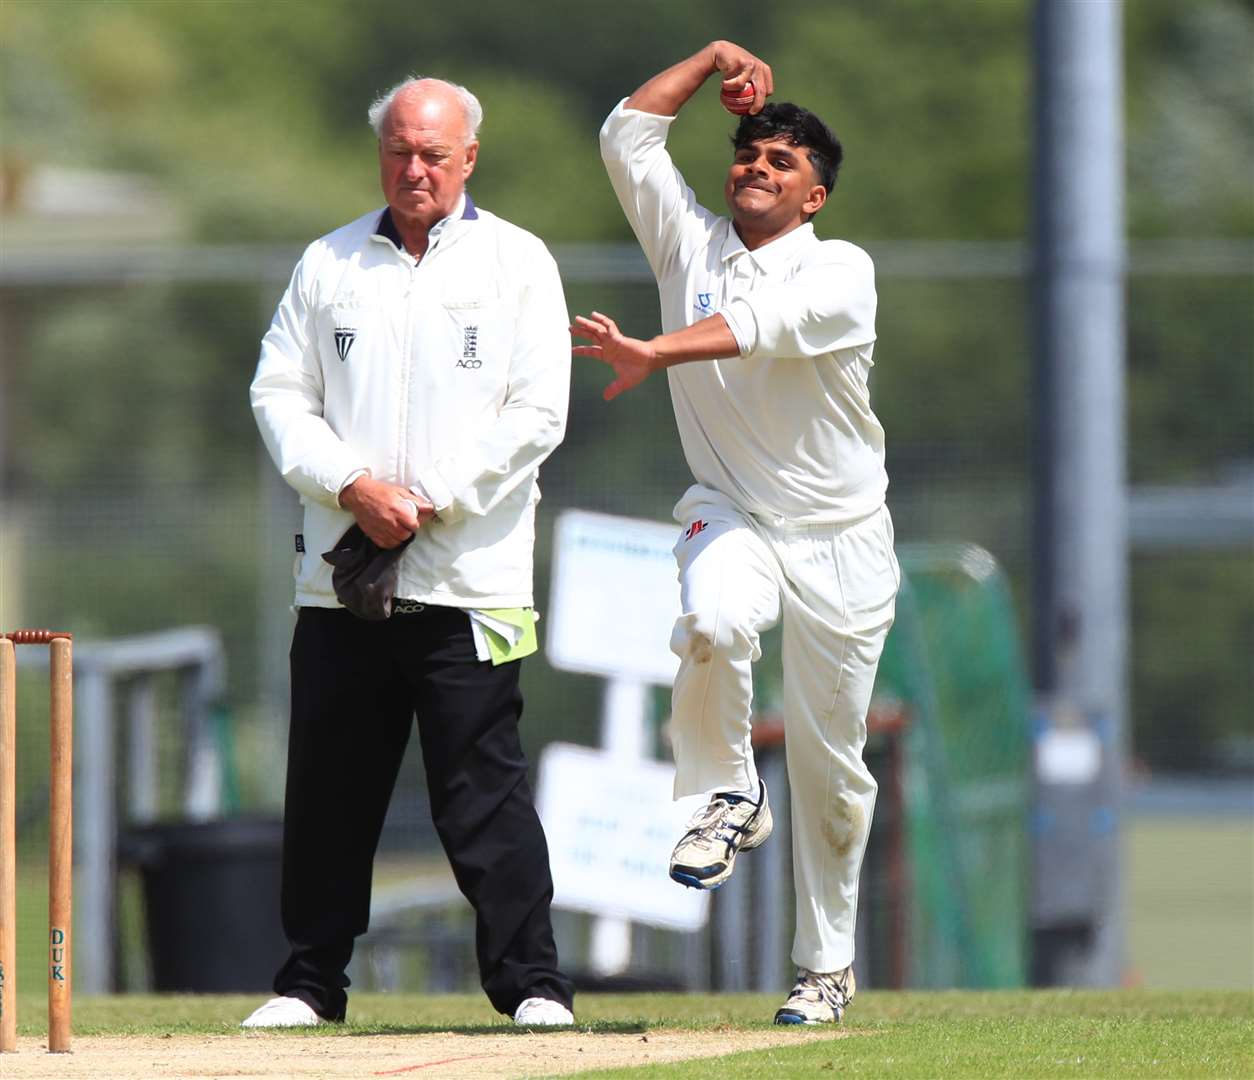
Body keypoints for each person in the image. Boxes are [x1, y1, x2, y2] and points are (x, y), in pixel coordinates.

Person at [572, 41, 899, 1025]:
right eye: (748, 152)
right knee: (711, 620)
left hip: (842, 534)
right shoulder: (688, 243)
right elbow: (629, 132)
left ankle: (824, 968)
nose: (757, 165)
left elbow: (761, 327)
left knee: (832, 773)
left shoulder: (842, 270)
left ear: (815, 197)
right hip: (733, 508)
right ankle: (727, 795)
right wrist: (714, 57)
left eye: (782, 161)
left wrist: (654, 348)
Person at [244, 76, 575, 1028]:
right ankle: (310, 986)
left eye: (433, 152)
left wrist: (433, 498)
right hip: (341, 577)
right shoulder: (331, 262)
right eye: (399, 149)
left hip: (471, 579)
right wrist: (351, 485)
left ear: (469, 157)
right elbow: (278, 395)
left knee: (483, 792)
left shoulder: (518, 261)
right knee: (329, 791)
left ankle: (533, 987)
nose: (414, 167)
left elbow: (537, 411)